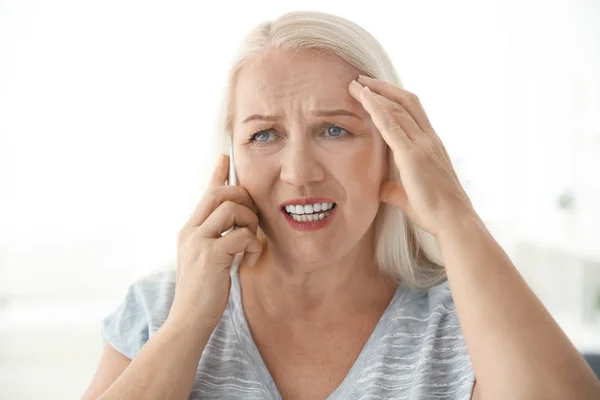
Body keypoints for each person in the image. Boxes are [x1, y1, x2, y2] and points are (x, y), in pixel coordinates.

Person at [82, 10, 600, 400]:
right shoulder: (159, 308)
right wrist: (188, 322)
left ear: (392, 147)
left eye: (335, 129)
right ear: (231, 155)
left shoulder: (467, 318)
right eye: (264, 135)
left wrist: (454, 217)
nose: (300, 172)